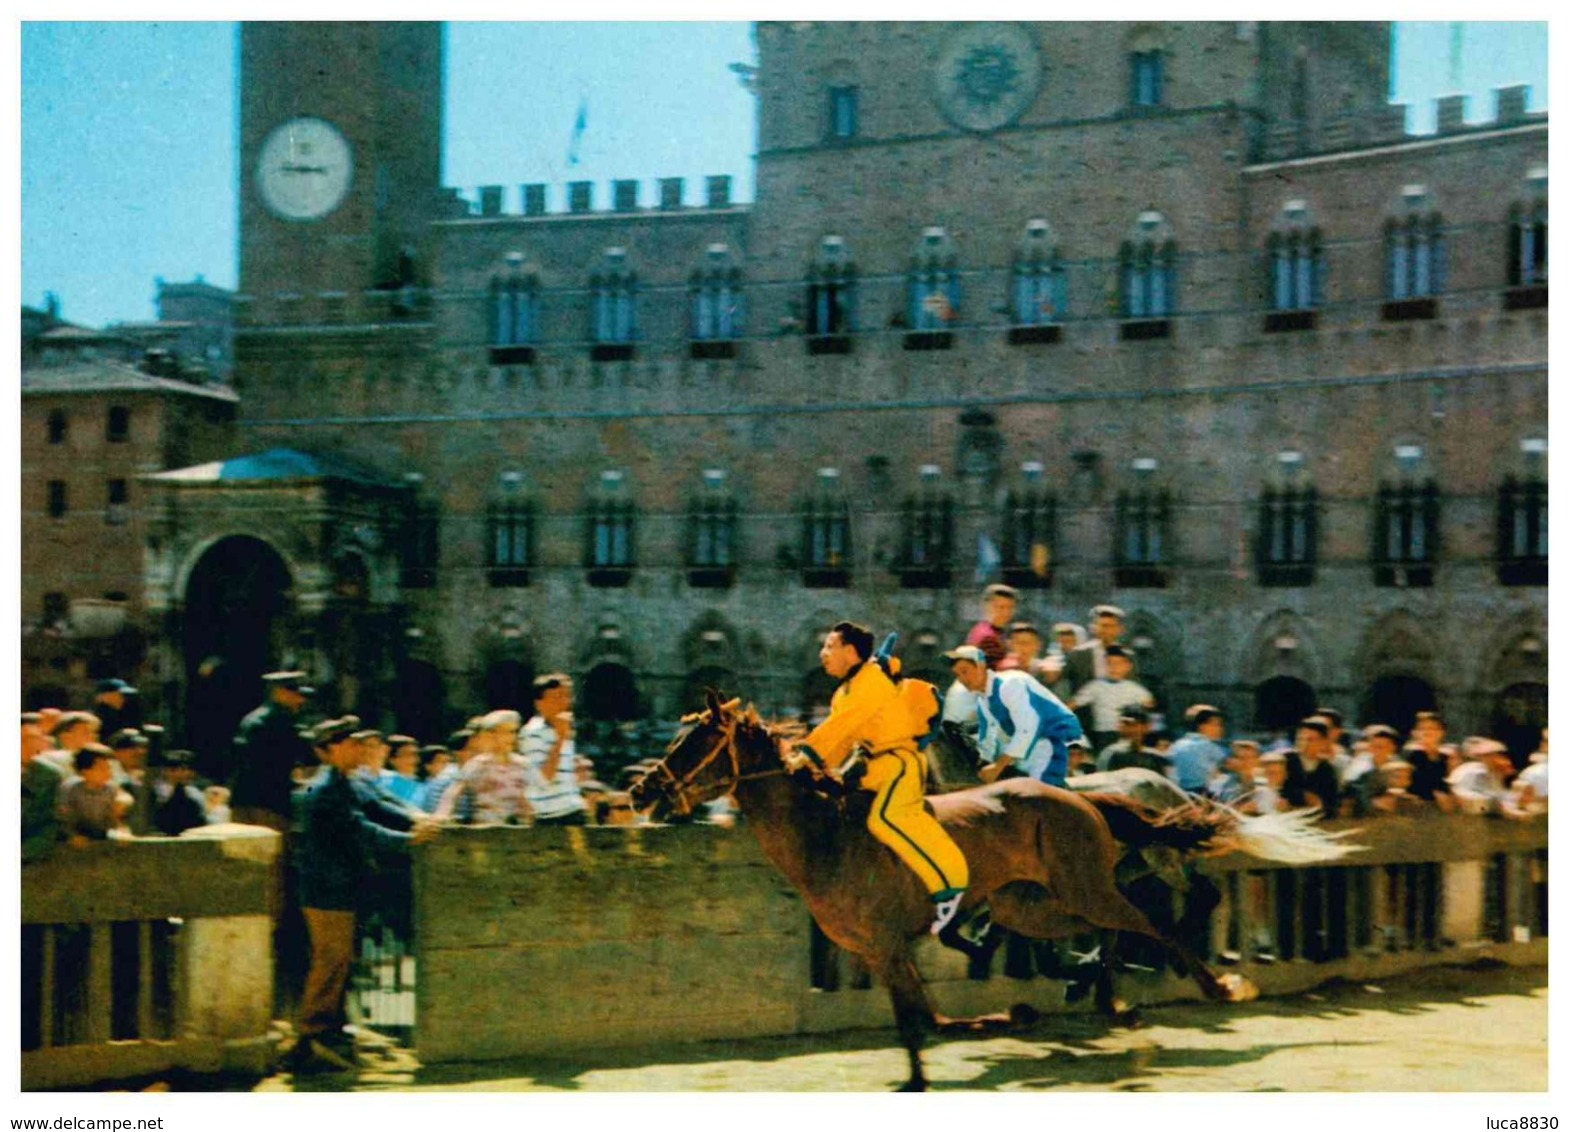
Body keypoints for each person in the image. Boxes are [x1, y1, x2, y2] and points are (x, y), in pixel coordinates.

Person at [788, 622, 971, 936]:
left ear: (850, 651)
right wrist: (818, 770)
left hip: (900, 765)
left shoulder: (871, 680)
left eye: (830, 646)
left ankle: (951, 885)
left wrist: (805, 758)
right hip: (873, 770)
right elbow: (842, 739)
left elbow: (838, 728)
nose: (823, 653)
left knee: (886, 819)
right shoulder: (842, 693)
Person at [290, 717, 437, 1073]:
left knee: (340, 961)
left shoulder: (346, 782)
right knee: (330, 961)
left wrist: (417, 819)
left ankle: (329, 1030)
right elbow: (361, 830)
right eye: (349, 744)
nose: (358, 749)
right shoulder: (323, 790)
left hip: (342, 887)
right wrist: (410, 840)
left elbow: (379, 806)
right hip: (326, 890)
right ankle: (312, 1035)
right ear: (328, 750)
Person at [945, 644, 1085, 786]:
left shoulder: (1010, 684)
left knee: (1039, 797)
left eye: (965, 671)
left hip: (1052, 741)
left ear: (981, 666)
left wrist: (998, 767)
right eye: (957, 674)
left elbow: (1028, 728)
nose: (962, 679)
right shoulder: (983, 700)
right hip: (1028, 748)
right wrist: (982, 766)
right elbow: (988, 739)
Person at [229, 671, 316, 832]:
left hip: (243, 802)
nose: (300, 700)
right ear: (279, 693)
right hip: (269, 807)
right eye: (295, 694)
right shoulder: (281, 720)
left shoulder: (251, 719)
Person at [521, 674, 591, 826]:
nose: (565, 702)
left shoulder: (564, 727)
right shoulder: (532, 733)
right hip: (551, 815)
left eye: (567, 696)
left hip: (573, 809)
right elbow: (543, 779)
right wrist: (560, 739)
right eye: (557, 697)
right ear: (539, 703)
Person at [1069, 645, 1155, 752]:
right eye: (1109, 663)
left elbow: (1150, 706)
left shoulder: (1135, 689)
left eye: (1119, 663)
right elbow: (1072, 704)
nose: (1114, 667)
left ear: (1128, 666)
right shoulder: (1095, 686)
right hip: (1103, 734)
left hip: (1129, 734)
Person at [22, 712, 67, 863]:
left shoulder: (49, 776)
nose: (30, 745)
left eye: (35, 739)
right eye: (24, 740)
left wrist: (23, 854)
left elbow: (52, 822)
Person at [59, 745, 124, 844]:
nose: (108, 773)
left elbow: (115, 822)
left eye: (109, 768)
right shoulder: (70, 789)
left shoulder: (111, 790)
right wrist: (72, 836)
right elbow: (63, 820)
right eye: (102, 769)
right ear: (85, 771)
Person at [1449, 737, 1525, 817]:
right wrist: (1500, 809)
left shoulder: (1493, 775)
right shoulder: (1469, 771)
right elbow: (1467, 802)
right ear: (1485, 757)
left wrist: (1517, 800)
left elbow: (1498, 797)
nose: (1503, 760)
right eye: (1496, 756)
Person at [1063, 604, 1127, 695]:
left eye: (1111, 626)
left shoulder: (1128, 656)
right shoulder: (1077, 655)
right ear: (1093, 628)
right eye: (1102, 626)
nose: (1106, 631)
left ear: (1120, 629)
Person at [1167, 704, 1230, 792]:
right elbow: (1230, 763)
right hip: (1201, 795)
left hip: (1178, 793)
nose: (1221, 729)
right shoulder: (1208, 746)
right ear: (1202, 726)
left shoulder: (1176, 745)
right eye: (1216, 724)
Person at [153, 749, 211, 835]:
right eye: (173, 770)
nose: (182, 773)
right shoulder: (156, 792)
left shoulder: (197, 794)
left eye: (186, 769)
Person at [1095, 705, 1166, 774]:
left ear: (1147, 727)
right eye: (1127, 724)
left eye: (1140, 723)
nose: (1134, 728)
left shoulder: (1154, 757)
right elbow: (1103, 781)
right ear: (1120, 726)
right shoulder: (1111, 754)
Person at [964, 583, 1018, 669]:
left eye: (1010, 607)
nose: (1006, 612)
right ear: (987, 606)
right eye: (1001, 607)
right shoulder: (987, 636)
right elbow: (993, 670)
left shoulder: (995, 631)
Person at [1208, 739, 1262, 810]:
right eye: (1240, 758)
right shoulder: (1221, 783)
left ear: (1257, 760)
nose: (1245, 763)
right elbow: (1215, 805)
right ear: (1232, 760)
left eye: (1249, 758)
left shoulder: (1264, 782)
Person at [380, 736, 424, 806]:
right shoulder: (380, 781)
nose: (415, 760)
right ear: (392, 760)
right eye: (409, 755)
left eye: (416, 755)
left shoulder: (420, 785)